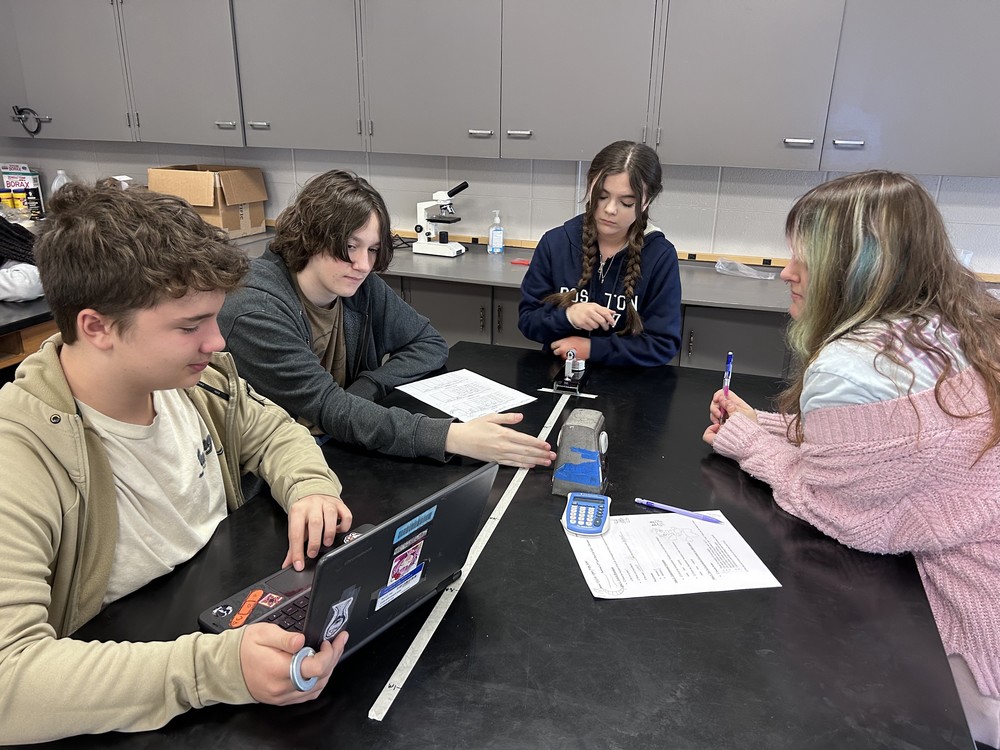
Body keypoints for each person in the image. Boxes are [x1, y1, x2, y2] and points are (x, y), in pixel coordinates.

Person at [0, 182, 354, 743]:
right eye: (189, 326)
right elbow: (9, 686)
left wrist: (309, 486)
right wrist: (212, 669)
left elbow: (275, 431)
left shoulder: (194, 385)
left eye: (214, 318)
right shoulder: (18, 456)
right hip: (129, 702)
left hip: (221, 621)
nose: (216, 341)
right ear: (97, 327)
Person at [703, 170, 1000, 750]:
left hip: (964, 640)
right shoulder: (957, 325)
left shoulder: (852, 366)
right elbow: (890, 452)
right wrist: (764, 421)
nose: (786, 273)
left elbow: (842, 509)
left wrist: (749, 442)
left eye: (804, 260)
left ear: (858, 268)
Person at [218, 169, 555, 469]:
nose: (364, 265)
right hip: (270, 472)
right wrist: (453, 438)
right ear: (312, 236)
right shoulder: (256, 310)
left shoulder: (357, 286)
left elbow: (429, 342)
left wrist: (369, 384)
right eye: (350, 247)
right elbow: (329, 407)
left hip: (338, 441)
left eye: (373, 249)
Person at [518, 140, 682, 366]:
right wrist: (569, 317)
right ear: (590, 185)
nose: (610, 209)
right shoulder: (555, 243)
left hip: (628, 389)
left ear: (647, 201)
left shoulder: (660, 256)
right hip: (557, 375)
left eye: (626, 202)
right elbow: (528, 321)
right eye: (602, 196)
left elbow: (662, 344)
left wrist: (592, 349)